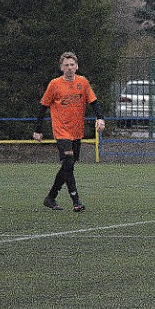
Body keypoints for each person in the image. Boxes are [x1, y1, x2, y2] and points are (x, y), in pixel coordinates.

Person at [33, 52, 105, 212]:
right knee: (68, 163)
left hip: (76, 131)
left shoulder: (83, 82)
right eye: (66, 65)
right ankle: (76, 201)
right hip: (61, 131)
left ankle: (50, 197)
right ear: (61, 68)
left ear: (77, 66)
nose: (69, 67)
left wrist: (100, 118)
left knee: (68, 166)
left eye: (72, 65)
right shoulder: (54, 84)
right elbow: (43, 106)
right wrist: (38, 129)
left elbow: (94, 102)